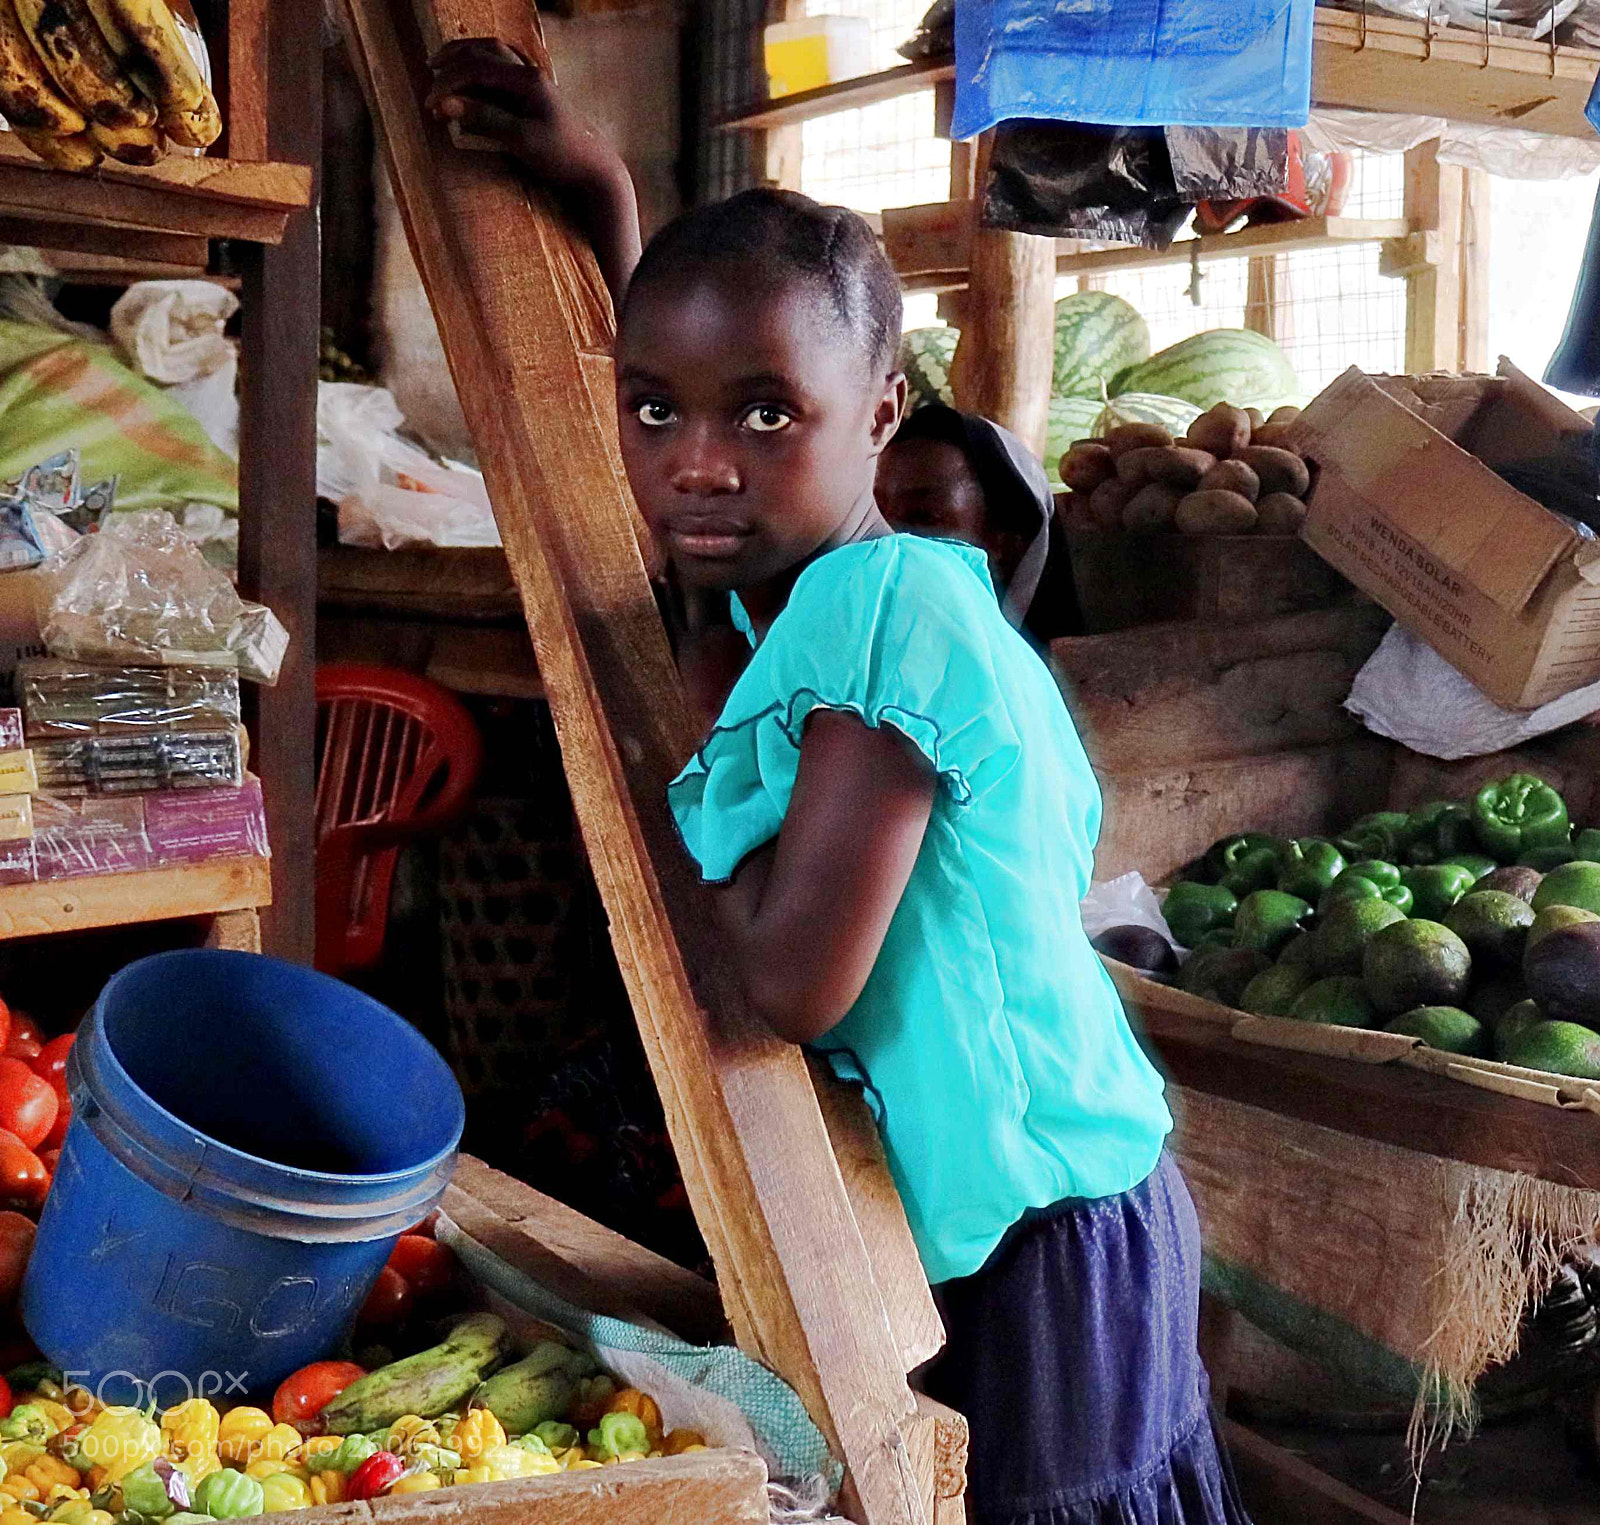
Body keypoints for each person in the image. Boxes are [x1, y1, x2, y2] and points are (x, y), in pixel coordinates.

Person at [427, 42, 1251, 1525]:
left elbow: (794, 985)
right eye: (649, 412)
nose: (694, 465)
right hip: (1029, 1211)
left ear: (881, 418)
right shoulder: (821, 585)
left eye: (762, 417)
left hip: (1047, 1243)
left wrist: (669, 814)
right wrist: (610, 192)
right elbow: (716, 382)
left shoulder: (882, 621)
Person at [875, 402, 1081, 640]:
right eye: (876, 513)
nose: (884, 536)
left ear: (1008, 545)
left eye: (922, 517)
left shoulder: (1040, 671)